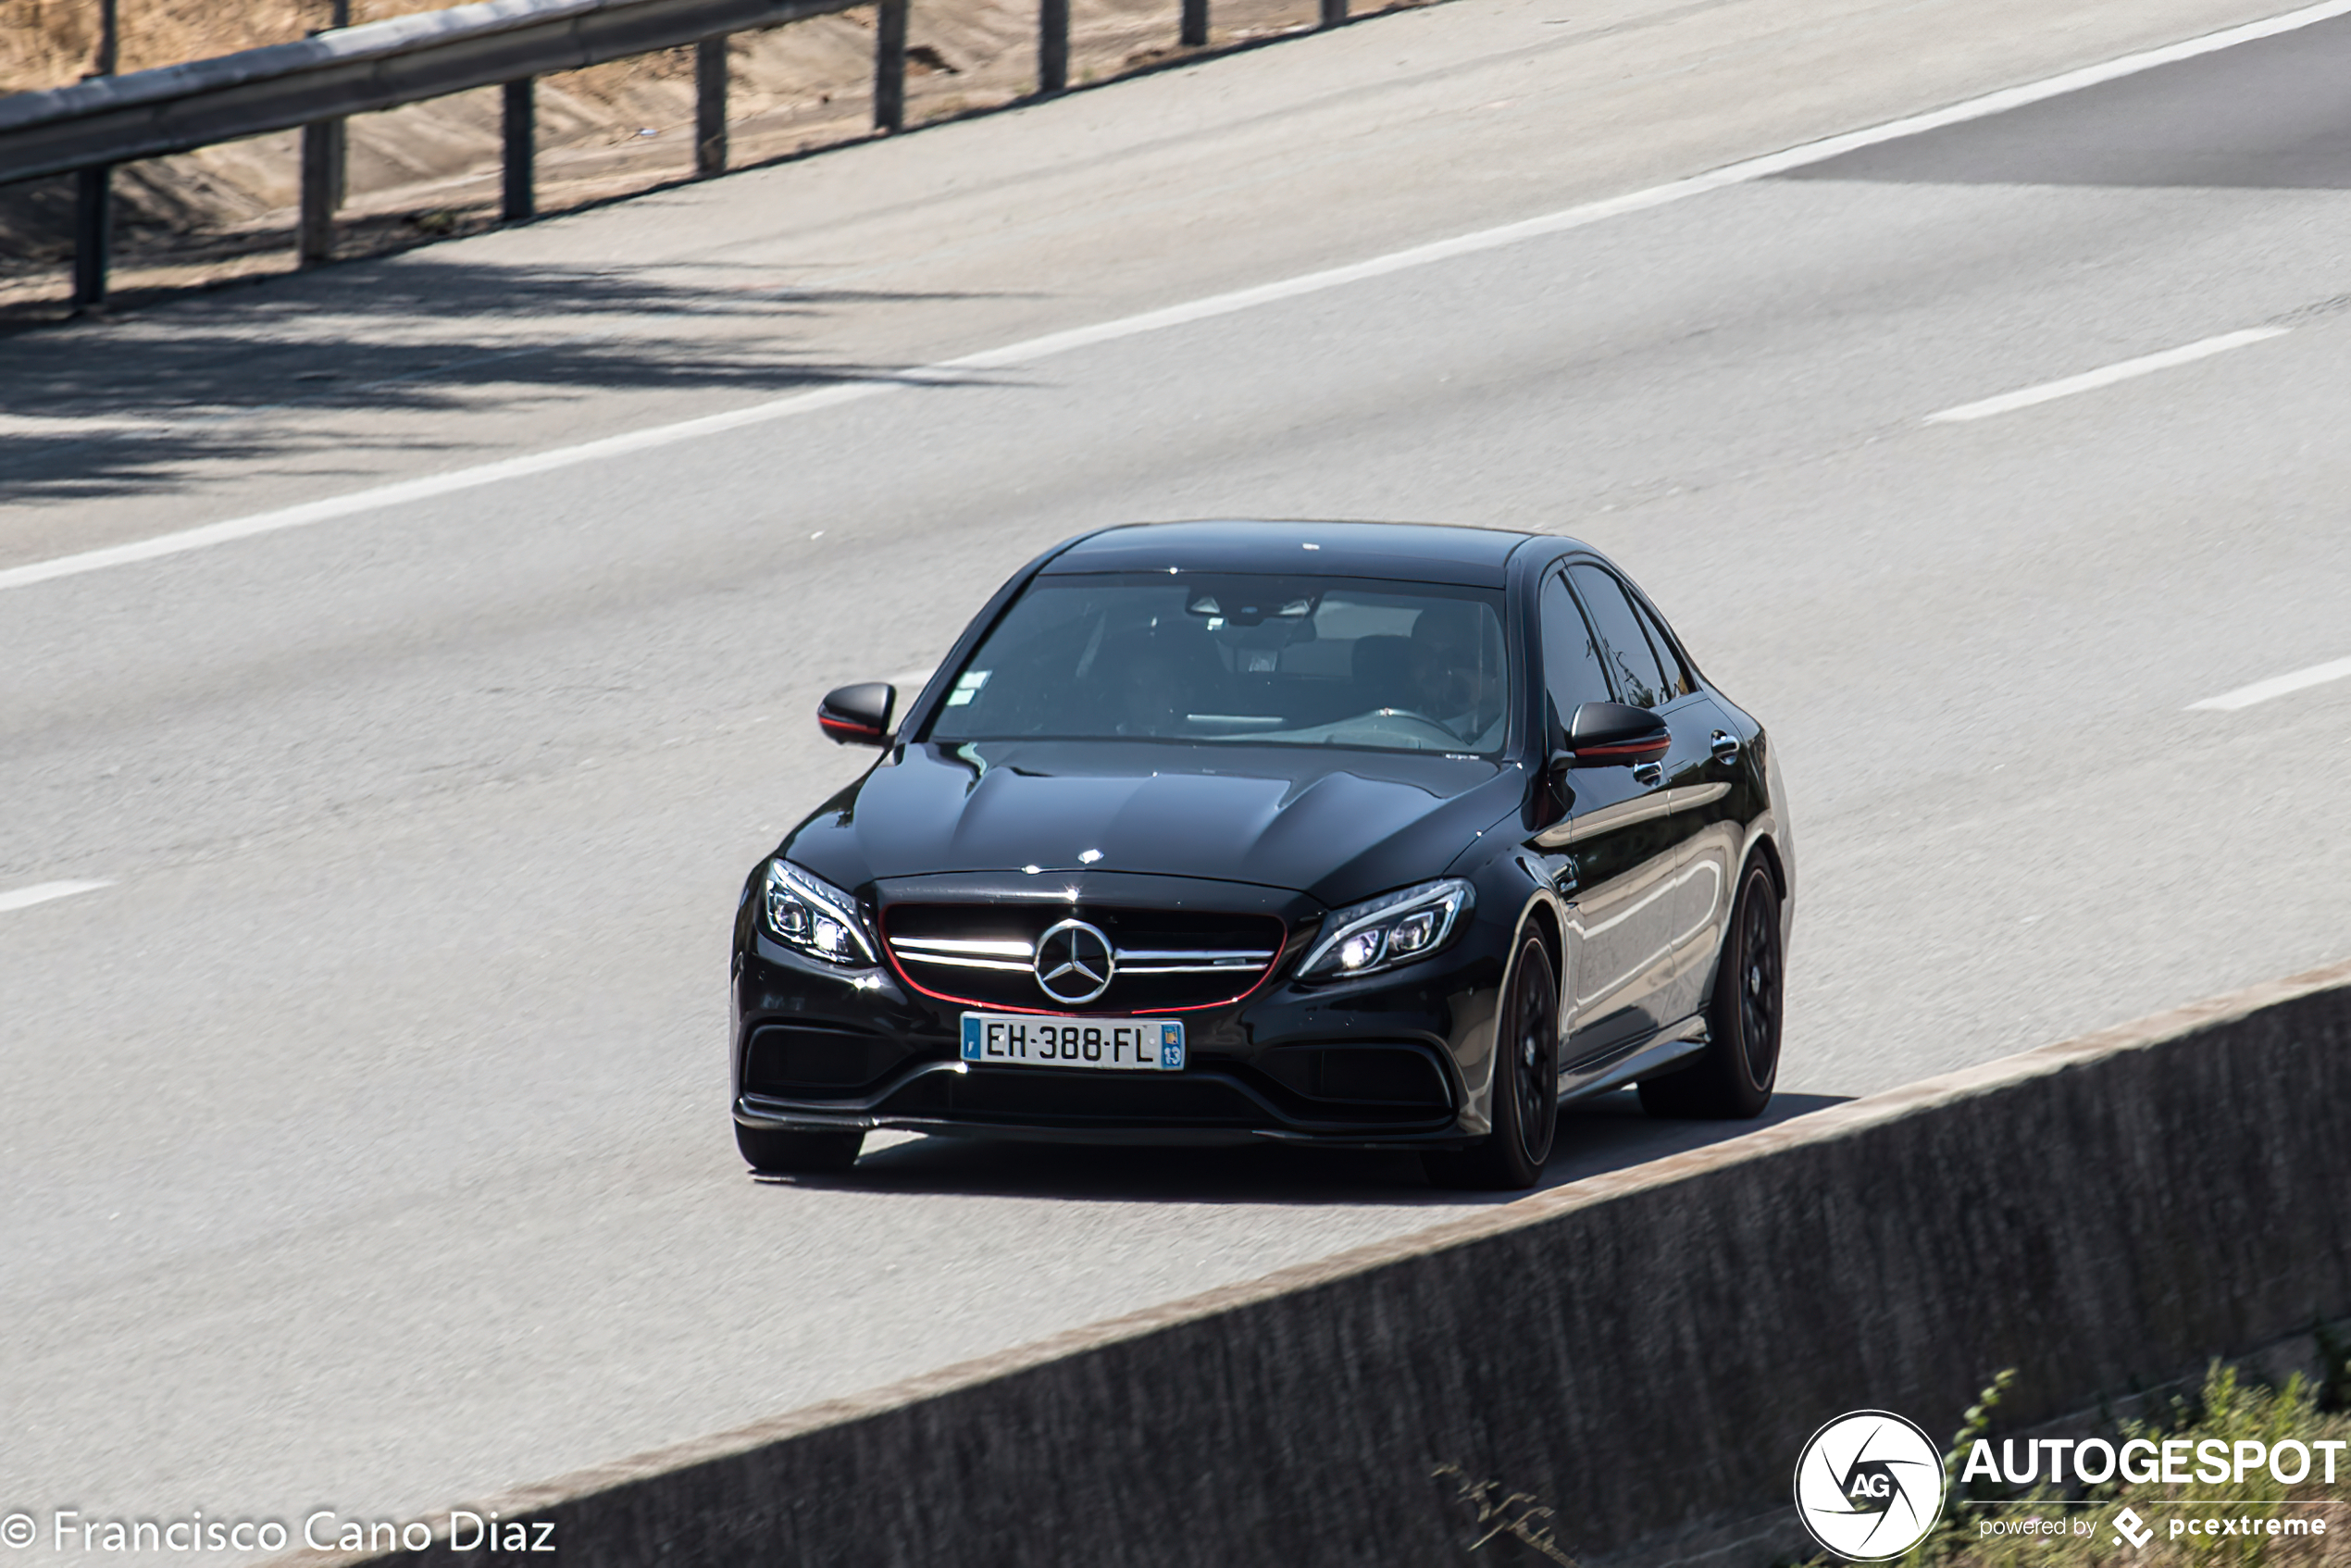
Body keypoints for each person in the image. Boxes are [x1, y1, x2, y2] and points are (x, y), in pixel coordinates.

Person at [1408, 602, 1505, 747]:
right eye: (1425, 654)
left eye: (1452, 656)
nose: (1437, 666)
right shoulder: (1375, 735)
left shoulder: (1498, 743)